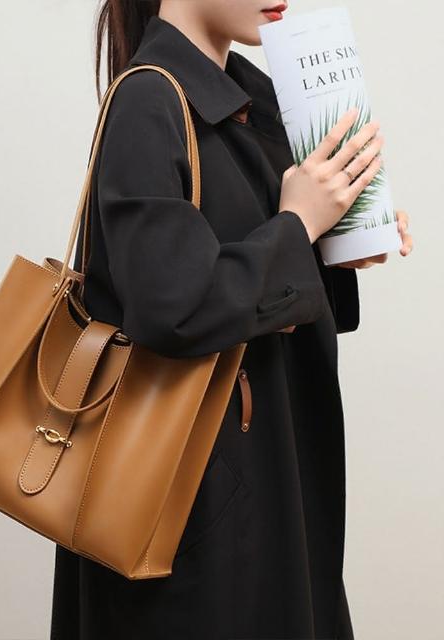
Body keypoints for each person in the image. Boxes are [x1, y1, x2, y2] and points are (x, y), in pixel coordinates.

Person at [49, 2, 413, 639]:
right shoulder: (148, 100)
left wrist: (335, 242)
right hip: (193, 507)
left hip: (265, 473)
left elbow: (248, 268)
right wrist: (298, 225)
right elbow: (169, 307)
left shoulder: (256, 100)